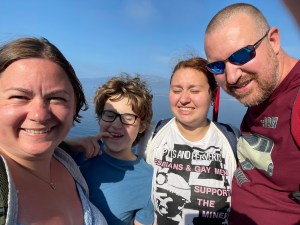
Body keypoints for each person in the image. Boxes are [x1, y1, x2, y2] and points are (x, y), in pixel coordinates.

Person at [204, 3, 300, 225]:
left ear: (273, 41)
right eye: (218, 66)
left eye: (241, 55)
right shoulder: (264, 93)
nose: (231, 77)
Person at [0, 37, 107, 225]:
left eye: (56, 98)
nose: (39, 115)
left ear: (75, 105)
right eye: (19, 96)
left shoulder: (64, 160)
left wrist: (71, 144)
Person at [139, 57, 239, 225]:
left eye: (194, 90)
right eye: (177, 90)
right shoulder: (152, 134)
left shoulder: (232, 139)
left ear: (213, 94)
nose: (184, 99)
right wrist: (81, 144)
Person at [71, 74, 154, 225]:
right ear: (100, 117)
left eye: (128, 117)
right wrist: (72, 144)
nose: (116, 125)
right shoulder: (79, 153)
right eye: (109, 115)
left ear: (142, 126)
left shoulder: (148, 178)